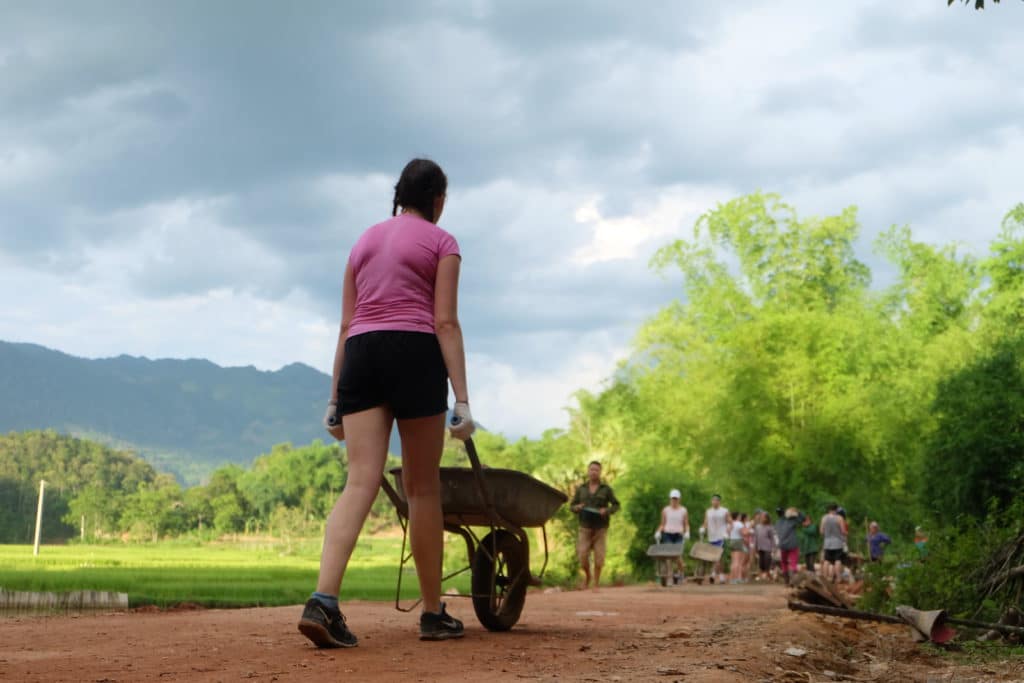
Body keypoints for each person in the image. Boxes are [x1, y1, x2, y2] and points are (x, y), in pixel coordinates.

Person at [298, 158, 475, 647]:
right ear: (438, 200)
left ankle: (323, 601)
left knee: (361, 479)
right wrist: (461, 399)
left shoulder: (362, 242)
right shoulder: (443, 243)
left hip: (361, 354)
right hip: (414, 351)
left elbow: (344, 325)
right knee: (422, 489)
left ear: (400, 196)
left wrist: (334, 398)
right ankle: (434, 614)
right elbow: (445, 323)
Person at [570, 461, 621, 590]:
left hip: (601, 528)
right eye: (591, 469)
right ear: (588, 471)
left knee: (599, 557)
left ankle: (596, 584)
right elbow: (572, 506)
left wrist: (607, 510)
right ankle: (588, 576)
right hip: (585, 527)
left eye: (596, 470)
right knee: (582, 556)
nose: (594, 472)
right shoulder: (581, 488)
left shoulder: (606, 489)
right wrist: (577, 507)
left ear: (600, 472)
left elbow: (616, 505)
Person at [655, 489, 690, 584]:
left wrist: (687, 532)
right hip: (667, 534)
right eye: (673, 499)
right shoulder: (665, 510)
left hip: (679, 534)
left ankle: (681, 572)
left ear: (679, 499)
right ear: (670, 499)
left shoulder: (683, 510)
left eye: (676, 499)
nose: (674, 501)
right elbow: (662, 523)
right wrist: (658, 531)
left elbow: (686, 524)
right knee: (668, 556)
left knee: (677, 555)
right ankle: (669, 577)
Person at [700, 494, 731, 584]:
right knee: (714, 557)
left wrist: (727, 531)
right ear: (711, 501)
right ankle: (716, 574)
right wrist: (703, 528)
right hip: (711, 537)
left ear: (719, 501)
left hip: (721, 536)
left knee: (718, 556)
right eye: (713, 500)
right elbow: (705, 522)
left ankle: (717, 575)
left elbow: (730, 522)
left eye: (717, 500)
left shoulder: (724, 511)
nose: (715, 502)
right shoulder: (708, 511)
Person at [774, 507, 804, 585]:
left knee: (784, 562)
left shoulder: (777, 523)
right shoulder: (791, 521)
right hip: (792, 544)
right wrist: (797, 511)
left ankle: (786, 580)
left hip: (782, 545)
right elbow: (802, 519)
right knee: (793, 562)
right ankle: (793, 579)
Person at [820, 504, 847, 582]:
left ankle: (825, 577)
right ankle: (838, 578)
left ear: (829, 509)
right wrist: (845, 533)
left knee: (827, 560)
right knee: (837, 560)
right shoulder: (840, 518)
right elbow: (843, 531)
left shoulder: (824, 518)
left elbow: (821, 531)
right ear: (836, 510)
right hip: (837, 542)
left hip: (827, 542)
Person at [727, 512, 749, 584]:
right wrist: (747, 531)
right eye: (739, 516)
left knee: (733, 561)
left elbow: (728, 532)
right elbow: (744, 533)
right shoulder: (739, 524)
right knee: (737, 561)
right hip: (738, 541)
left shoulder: (730, 524)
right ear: (737, 517)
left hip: (731, 541)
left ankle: (732, 578)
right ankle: (736, 578)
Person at [754, 511, 775, 582]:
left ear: (767, 519)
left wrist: (773, 548)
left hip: (767, 547)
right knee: (761, 563)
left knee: (767, 561)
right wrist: (755, 547)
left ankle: (768, 576)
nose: (762, 519)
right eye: (761, 517)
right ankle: (765, 576)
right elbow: (756, 537)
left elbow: (772, 538)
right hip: (760, 547)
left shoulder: (769, 527)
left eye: (764, 517)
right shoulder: (757, 527)